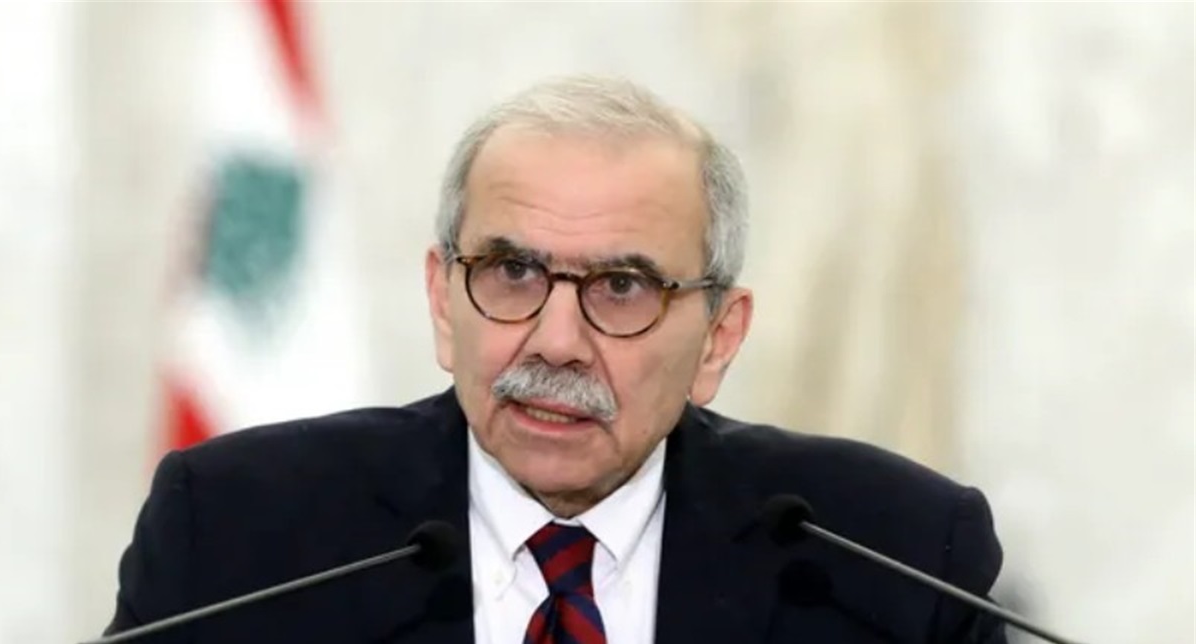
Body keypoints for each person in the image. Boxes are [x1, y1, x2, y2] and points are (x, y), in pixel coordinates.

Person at [106, 76, 1006, 643]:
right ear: (442, 301)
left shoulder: (893, 559)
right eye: (512, 272)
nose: (557, 340)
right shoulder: (236, 536)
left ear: (718, 337)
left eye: (622, 286)